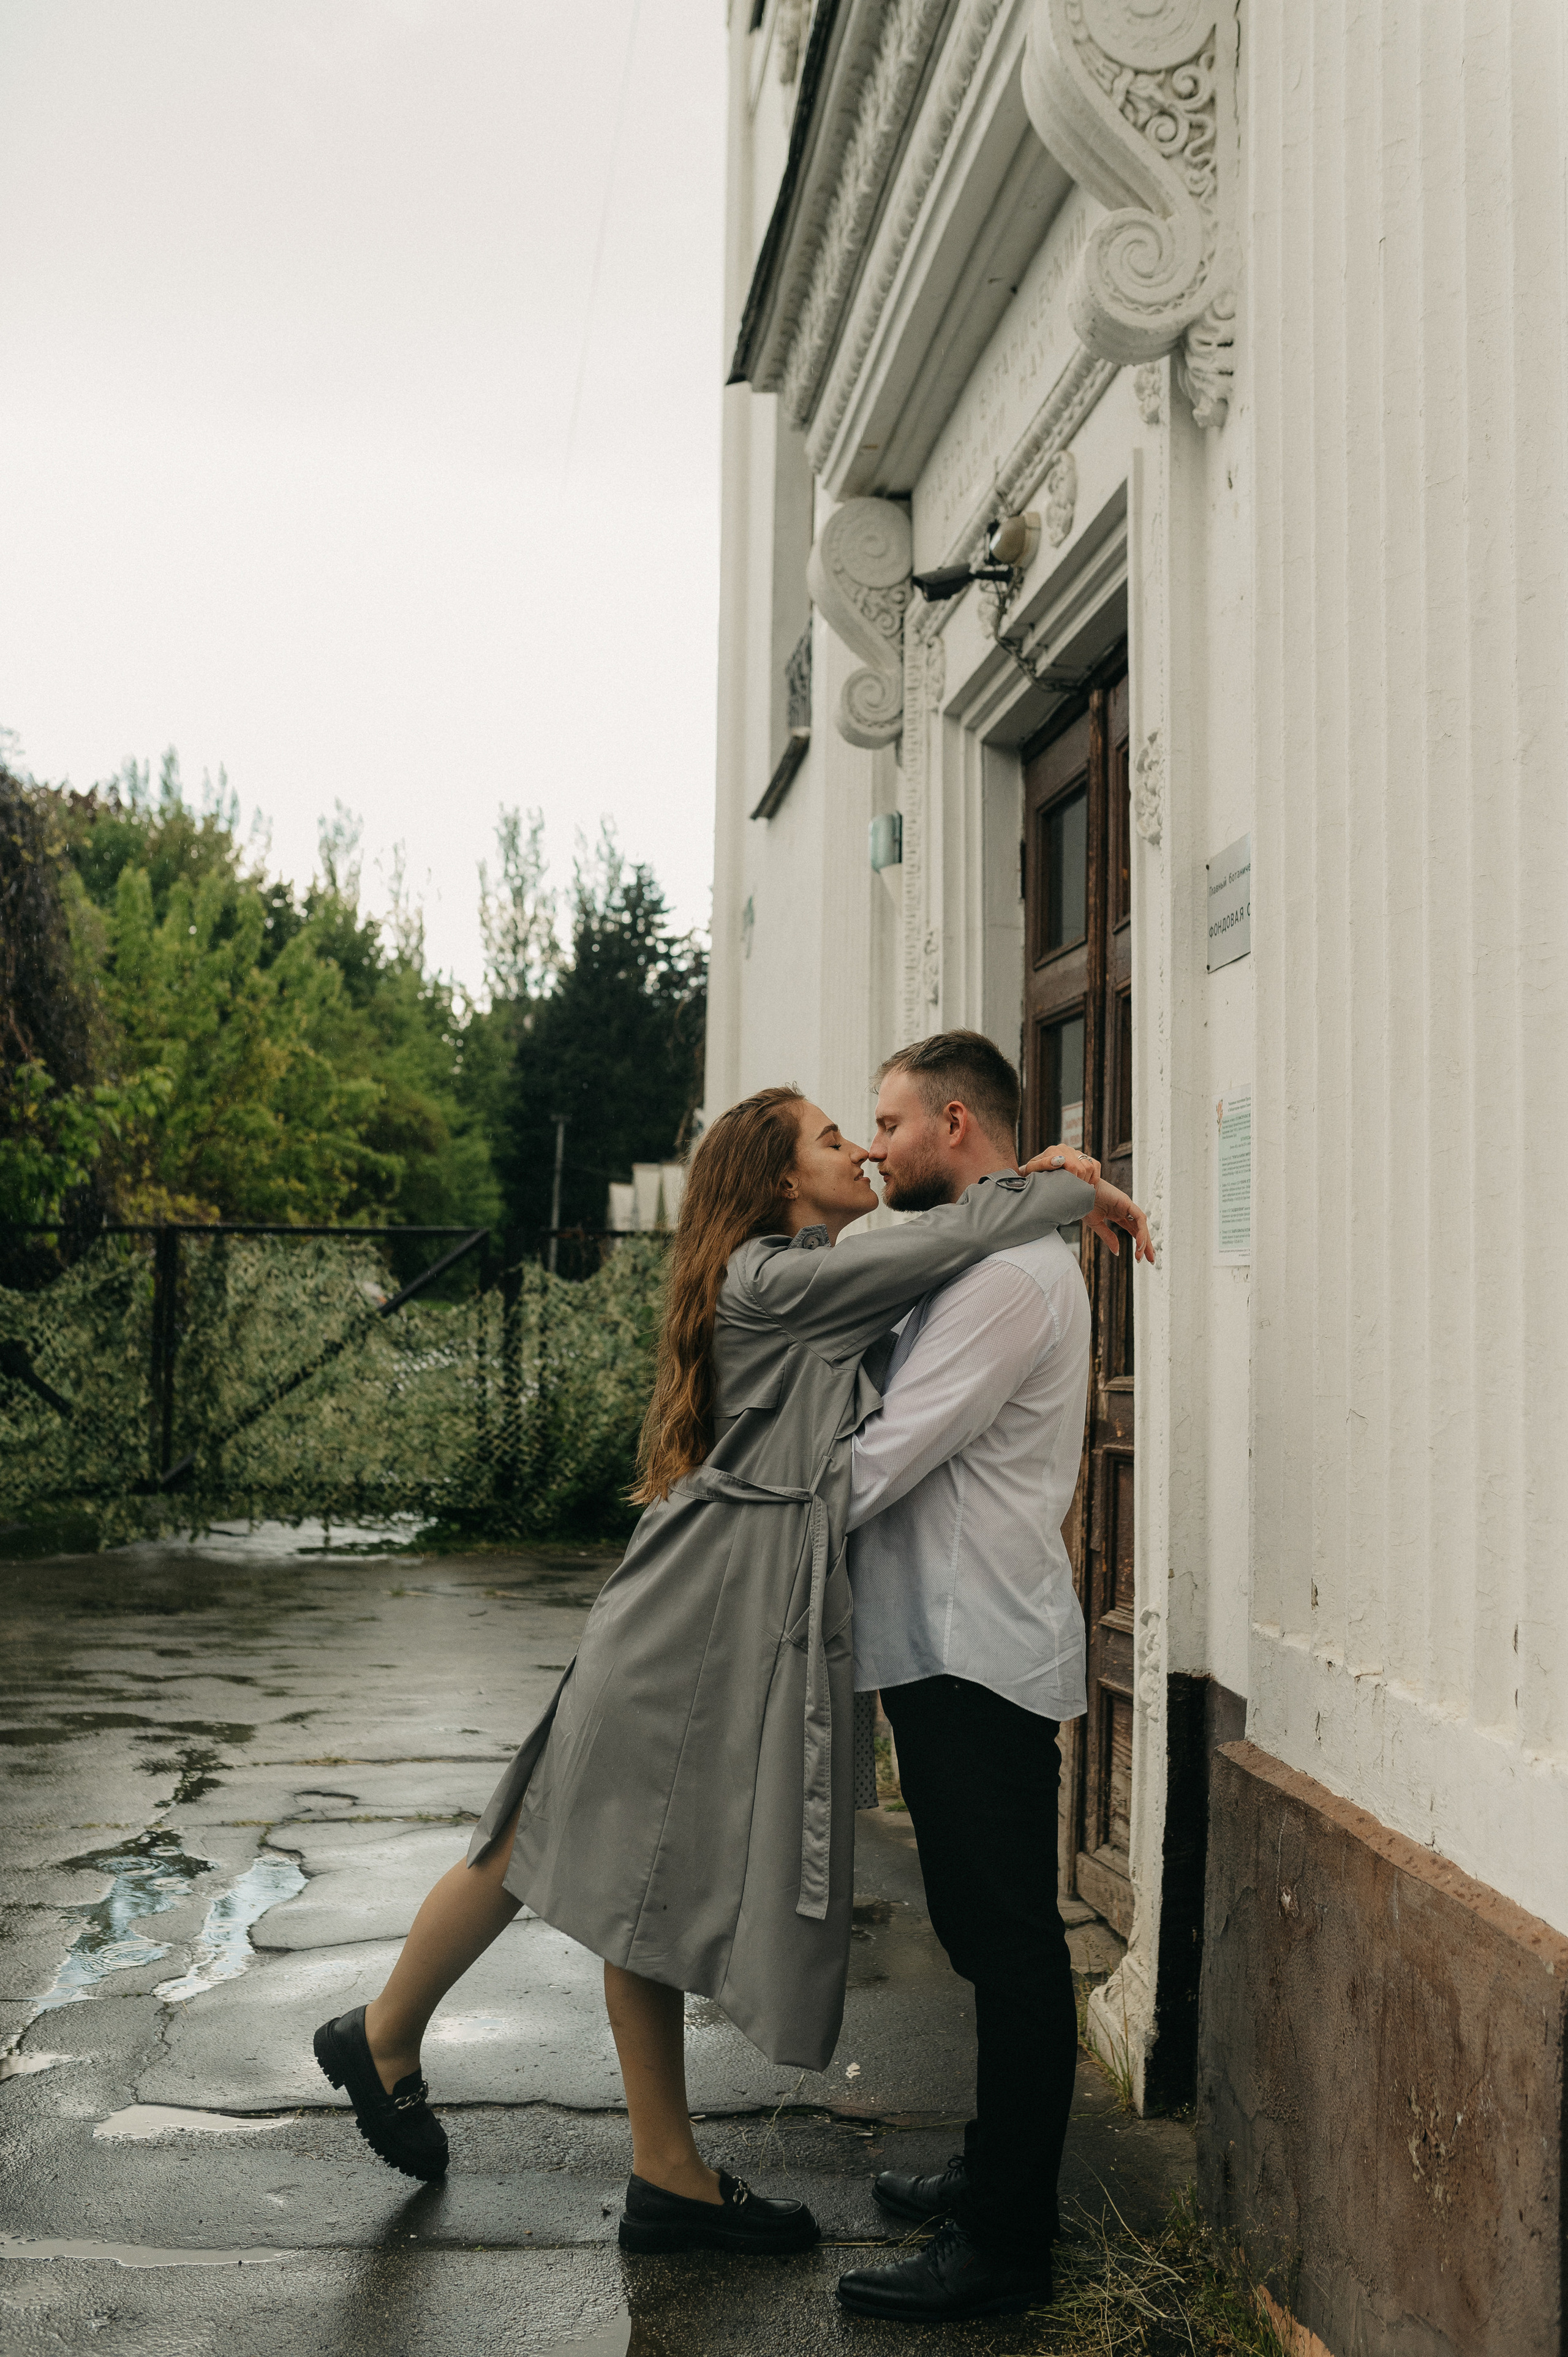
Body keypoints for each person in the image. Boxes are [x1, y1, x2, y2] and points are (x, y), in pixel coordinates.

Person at [312, 1083, 1145, 2261]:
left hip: (702, 1588)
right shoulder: (782, 1277)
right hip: (702, 1603)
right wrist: (1063, 1183)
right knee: (591, 1845)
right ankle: (532, 2109)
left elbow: (939, 1250)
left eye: (865, 1130)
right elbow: (954, 1237)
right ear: (773, 1180)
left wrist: (1034, 1181)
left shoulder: (786, 1274)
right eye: (831, 1138)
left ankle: (450, 2066)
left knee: (570, 1832)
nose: (858, 1149)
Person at [834, 1030, 1155, 2326]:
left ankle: (1007, 2240)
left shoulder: (1005, 1281)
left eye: (890, 1125)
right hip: (942, 1642)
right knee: (983, 1934)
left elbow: (884, 1455)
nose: (872, 1147)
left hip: (976, 1652)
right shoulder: (985, 1246)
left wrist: (741, 1515)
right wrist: (1053, 1180)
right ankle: (988, 2170)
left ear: (956, 1124)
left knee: (1011, 1949)